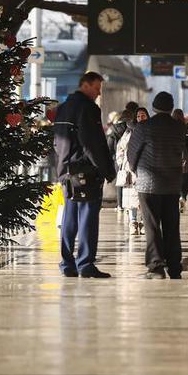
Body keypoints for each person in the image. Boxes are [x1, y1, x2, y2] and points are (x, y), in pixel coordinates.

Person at [53, 71, 117, 278]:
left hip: (66, 170)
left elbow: (57, 141)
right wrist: (107, 170)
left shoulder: (63, 108)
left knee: (69, 218)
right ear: (86, 85)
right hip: (85, 172)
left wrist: (62, 167)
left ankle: (67, 264)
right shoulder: (88, 108)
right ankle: (85, 264)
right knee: (88, 218)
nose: (99, 93)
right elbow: (92, 143)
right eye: (97, 88)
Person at [127, 92, 188, 279]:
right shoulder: (179, 128)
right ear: (171, 107)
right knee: (172, 227)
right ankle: (174, 267)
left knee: (152, 226)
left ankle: (156, 267)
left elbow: (132, 155)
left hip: (148, 185)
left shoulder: (144, 127)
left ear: (154, 107)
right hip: (172, 184)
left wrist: (137, 171)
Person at [114, 107, 149, 235]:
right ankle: (133, 222)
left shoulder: (150, 130)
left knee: (145, 198)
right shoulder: (129, 131)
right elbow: (120, 148)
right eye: (138, 116)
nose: (140, 118)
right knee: (131, 198)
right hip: (130, 169)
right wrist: (121, 163)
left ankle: (144, 222)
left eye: (143, 115)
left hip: (146, 169)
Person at [172, 108, 188, 212]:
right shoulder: (187, 127)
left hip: (172, 154)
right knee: (186, 177)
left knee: (174, 178)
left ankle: (176, 198)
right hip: (185, 154)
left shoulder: (169, 126)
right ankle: (183, 196)